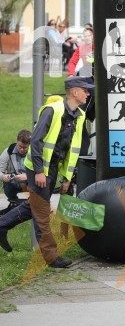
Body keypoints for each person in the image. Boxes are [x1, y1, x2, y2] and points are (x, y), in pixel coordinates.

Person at [0, 77, 94, 267]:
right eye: (85, 90)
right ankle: (51, 257)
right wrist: (39, 172)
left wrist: (67, 177)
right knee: (42, 211)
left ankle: (1, 226)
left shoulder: (80, 115)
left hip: (51, 168)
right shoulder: (53, 110)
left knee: (33, 206)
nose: (88, 93)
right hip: (38, 167)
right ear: (75, 91)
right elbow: (35, 142)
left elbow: (72, 148)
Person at [0, 130, 31, 212]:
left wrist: (27, 176)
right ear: (17, 141)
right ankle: (13, 201)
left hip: (29, 183)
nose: (21, 149)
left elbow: (42, 173)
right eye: (19, 146)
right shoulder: (8, 151)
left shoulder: (35, 153)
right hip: (13, 183)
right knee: (6, 182)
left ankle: (31, 202)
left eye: (25, 147)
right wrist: (3, 176)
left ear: (30, 145)